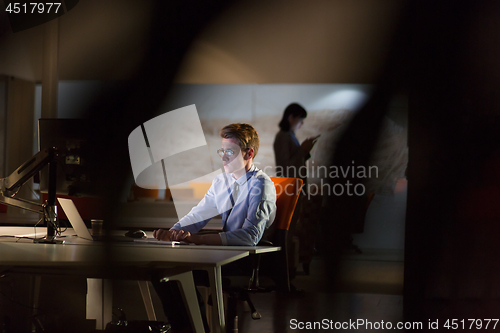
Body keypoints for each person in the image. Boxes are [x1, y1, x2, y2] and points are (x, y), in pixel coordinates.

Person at [152, 123, 277, 332]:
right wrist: (173, 232)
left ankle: (195, 328)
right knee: (160, 271)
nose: (224, 157)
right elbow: (198, 215)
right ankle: (188, 328)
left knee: (176, 273)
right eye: (222, 150)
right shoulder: (222, 182)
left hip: (244, 260)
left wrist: (196, 239)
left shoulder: (261, 185)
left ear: (249, 153)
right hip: (222, 255)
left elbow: (249, 237)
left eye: (230, 151)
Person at [273, 103, 319, 181]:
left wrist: (305, 150)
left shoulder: (290, 136)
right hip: (289, 186)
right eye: (300, 120)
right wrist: (302, 150)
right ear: (291, 118)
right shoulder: (283, 137)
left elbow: (296, 158)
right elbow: (285, 167)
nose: (302, 123)